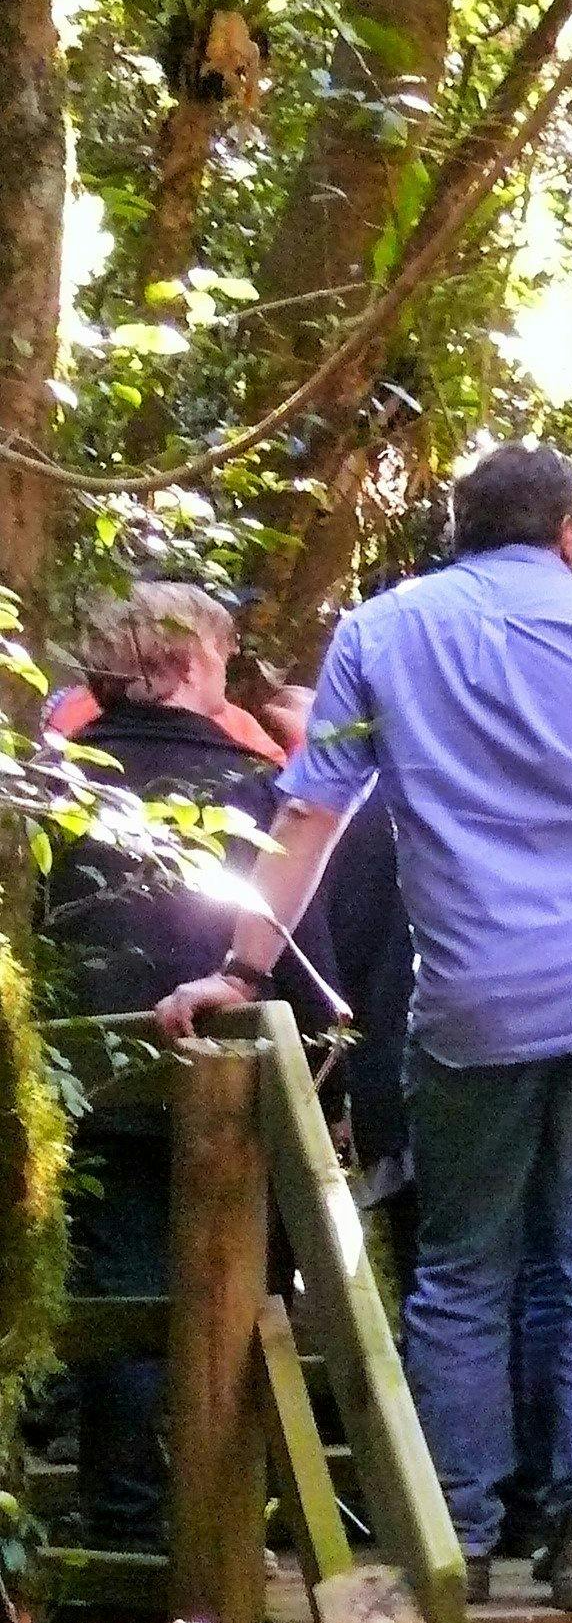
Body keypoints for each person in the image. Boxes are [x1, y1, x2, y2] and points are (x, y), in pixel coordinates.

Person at [158, 443, 572, 1608]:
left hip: (477, 996)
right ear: (570, 531)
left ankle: (459, 1536)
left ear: (456, 529)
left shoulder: (383, 633)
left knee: (463, 1269)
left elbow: (311, 814)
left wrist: (241, 965)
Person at [41, 586, 316, 1545]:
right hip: (240, 1082)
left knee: (121, 1291)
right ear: (200, 664)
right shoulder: (260, 790)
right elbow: (302, 933)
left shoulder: (52, 789)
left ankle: (126, 1515)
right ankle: (235, 1521)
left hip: (98, 1084)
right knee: (249, 1295)